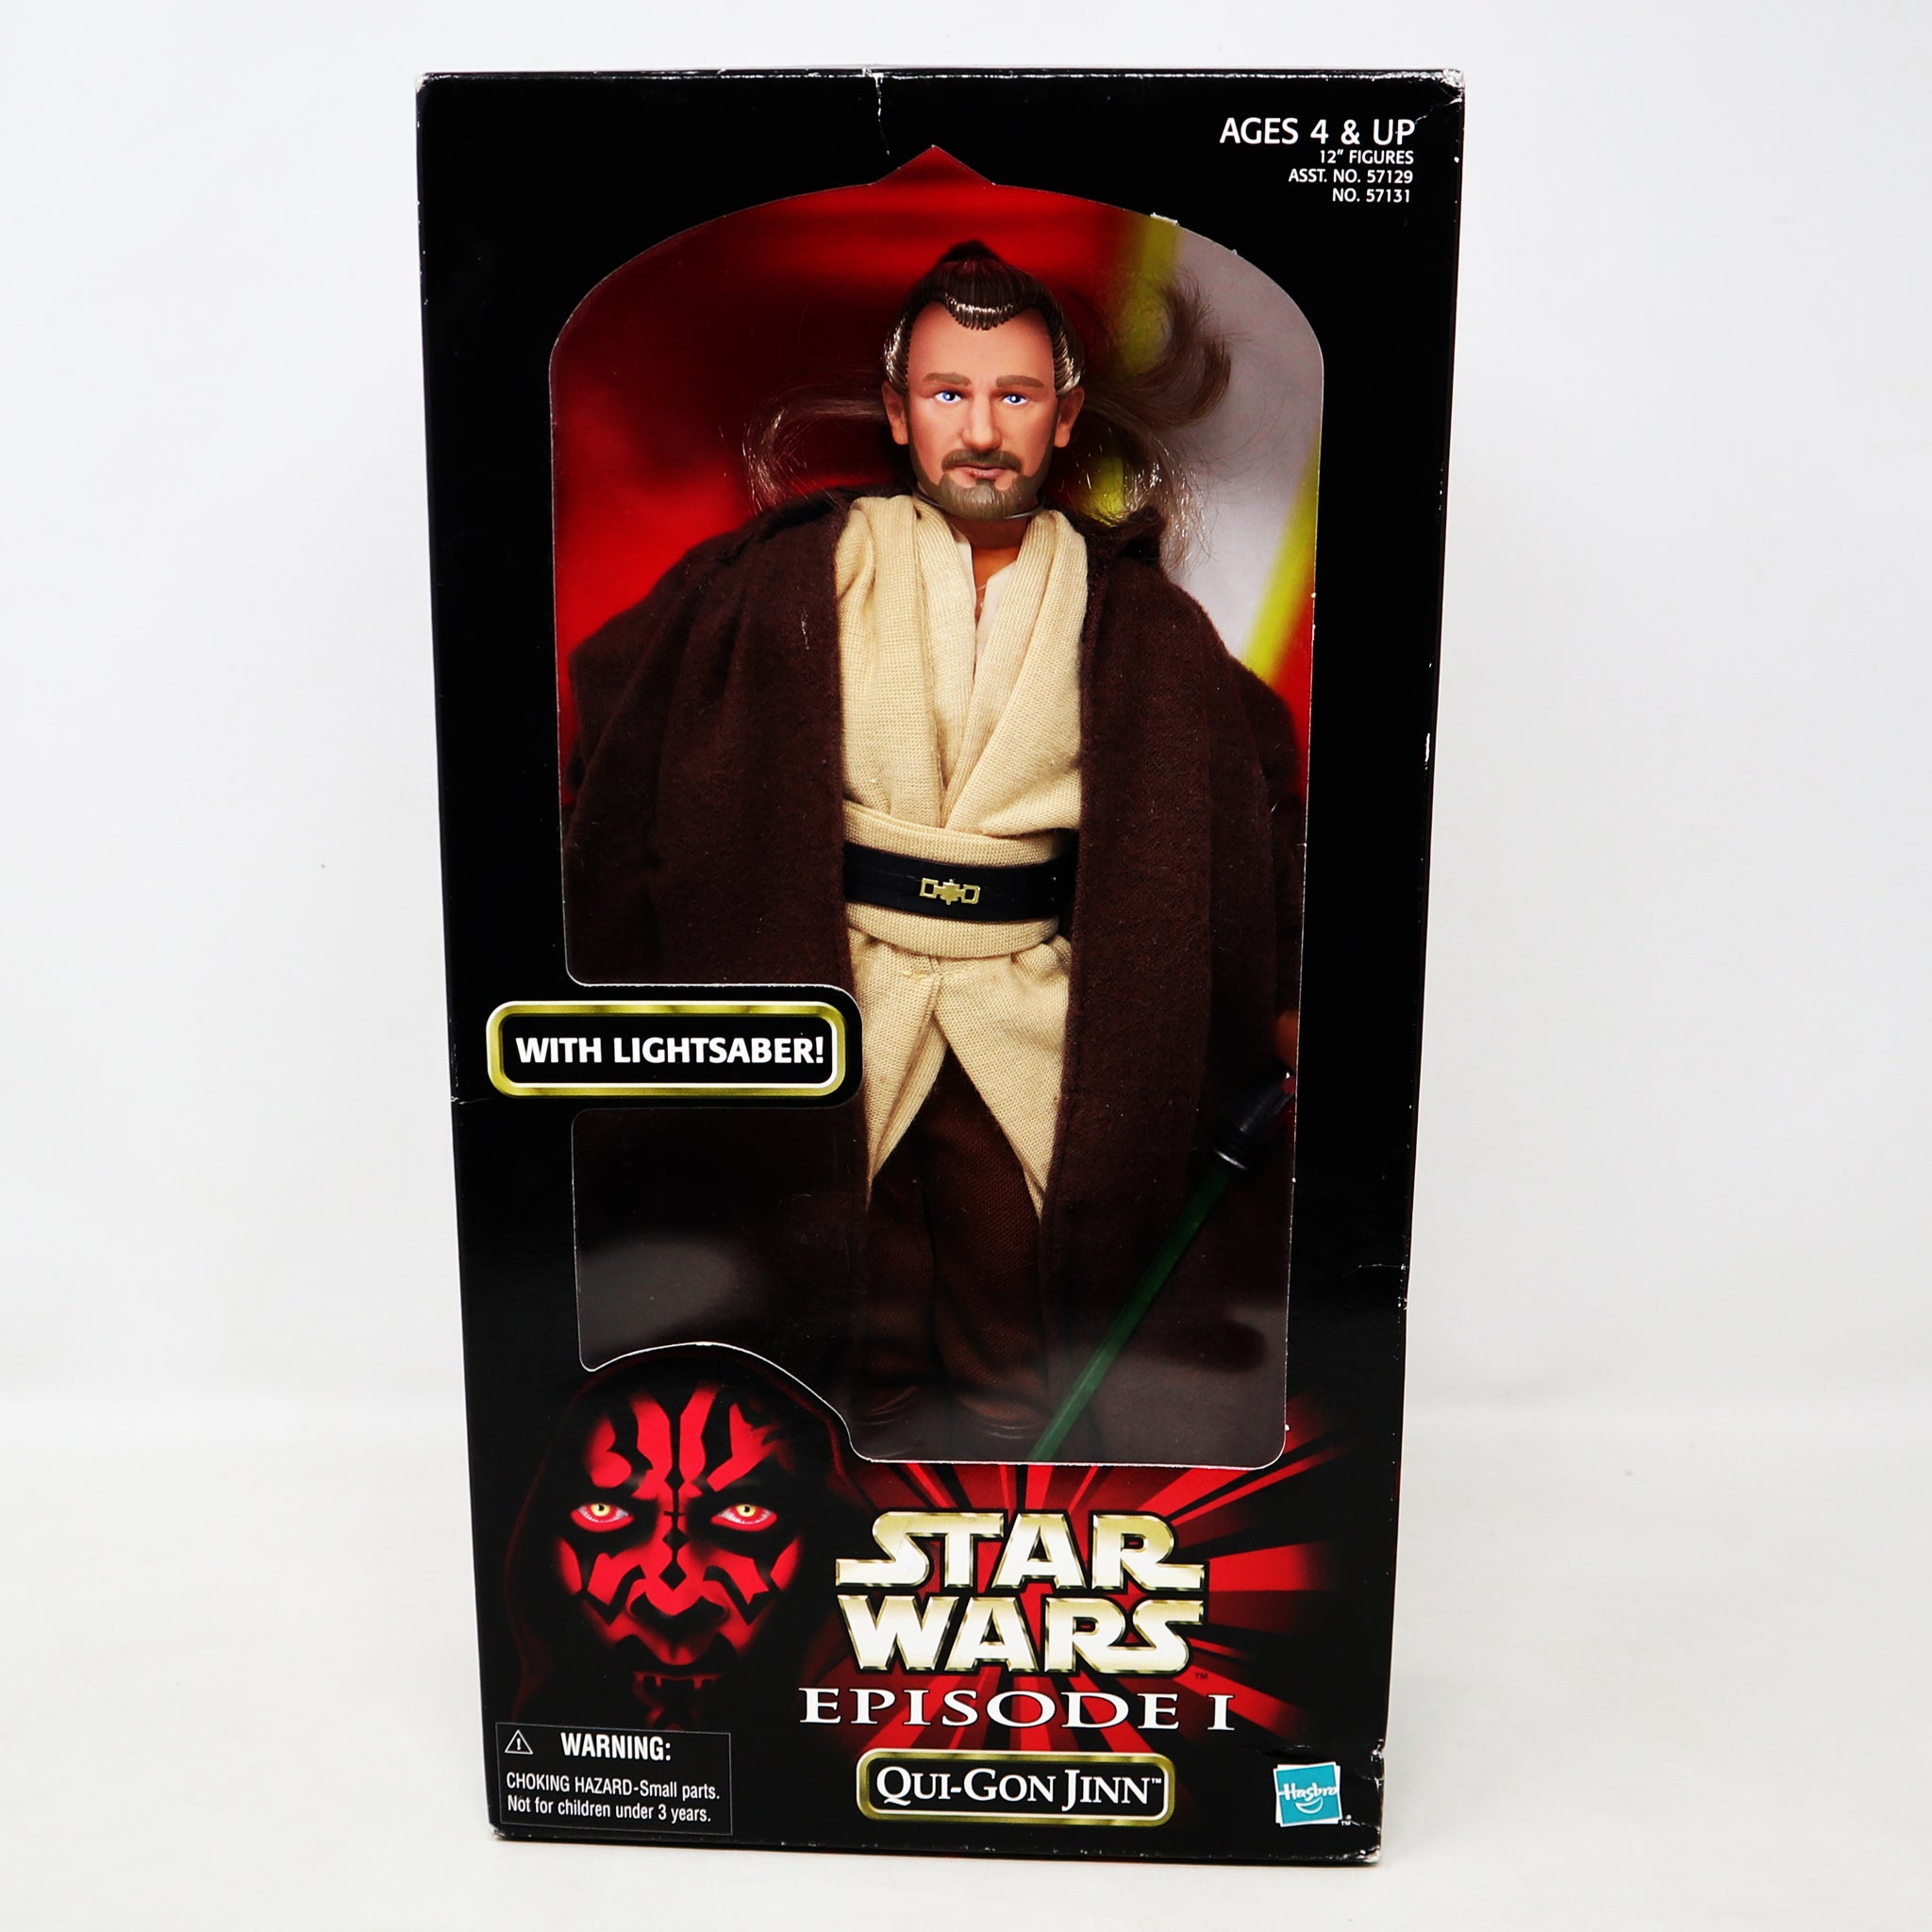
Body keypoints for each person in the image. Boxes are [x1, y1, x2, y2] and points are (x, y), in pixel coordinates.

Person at [564, 244, 1303, 1466]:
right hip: (839, 984)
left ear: (1065, 417)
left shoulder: (1136, 621)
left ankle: (1005, 1504)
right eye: (949, 392)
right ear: (900, 410)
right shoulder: (783, 578)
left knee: (1026, 1298)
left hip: (1032, 1002)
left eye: (1015, 394)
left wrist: (1284, 985)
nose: (982, 430)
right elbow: (624, 725)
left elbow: (1253, 801)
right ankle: (839, 1497)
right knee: (837, 1279)